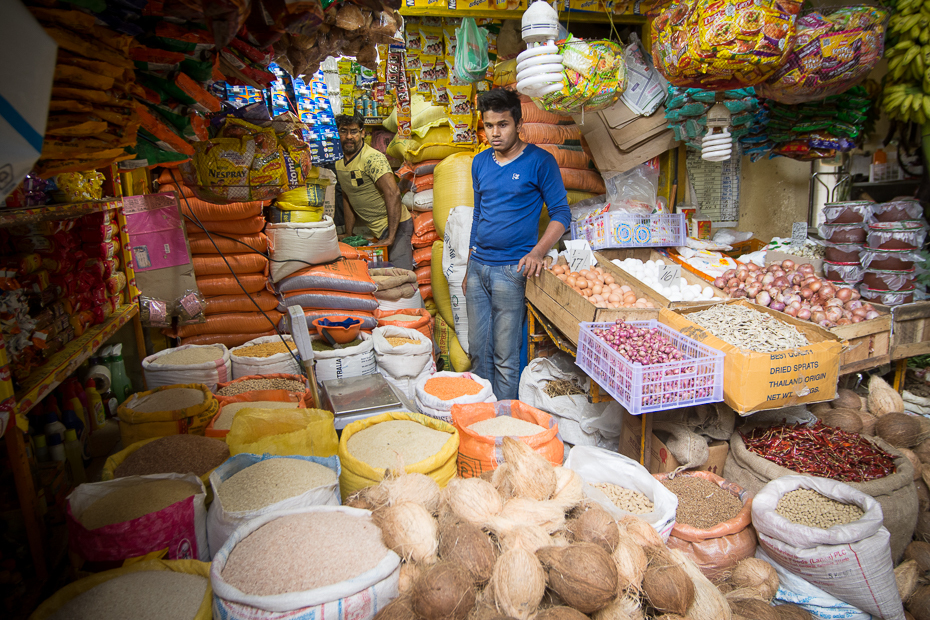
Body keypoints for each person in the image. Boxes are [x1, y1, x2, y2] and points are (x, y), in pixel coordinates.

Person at [466, 88, 571, 400]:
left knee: (505, 357)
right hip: (477, 269)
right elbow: (478, 214)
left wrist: (538, 251)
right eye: (488, 126)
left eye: (503, 125)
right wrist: (469, 262)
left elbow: (562, 214)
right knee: (477, 350)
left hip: (512, 270)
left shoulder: (540, 162)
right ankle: (480, 415)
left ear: (518, 123)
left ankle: (506, 417)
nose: (495, 133)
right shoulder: (480, 162)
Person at [335, 112, 413, 270]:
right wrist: (349, 233)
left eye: (354, 131)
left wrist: (391, 237)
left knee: (401, 274)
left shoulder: (372, 159)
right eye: (344, 131)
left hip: (396, 226)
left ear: (363, 133)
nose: (349, 136)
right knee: (380, 274)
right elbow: (348, 195)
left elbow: (393, 193)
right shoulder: (339, 161)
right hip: (377, 229)